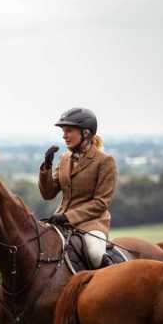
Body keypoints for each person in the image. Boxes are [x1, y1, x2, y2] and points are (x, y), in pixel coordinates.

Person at [39, 107, 118, 268]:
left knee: (96, 254)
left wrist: (69, 217)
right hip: (60, 221)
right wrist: (46, 167)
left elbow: (101, 203)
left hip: (91, 224)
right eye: (63, 131)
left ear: (86, 133)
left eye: (69, 130)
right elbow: (48, 193)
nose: (64, 135)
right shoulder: (64, 158)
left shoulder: (105, 161)